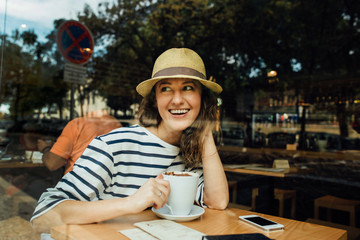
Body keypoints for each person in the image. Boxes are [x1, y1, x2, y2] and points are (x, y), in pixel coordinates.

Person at [31, 48, 229, 233]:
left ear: (202, 99)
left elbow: (217, 202)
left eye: (188, 88)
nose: (177, 100)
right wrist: (131, 203)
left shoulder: (191, 152)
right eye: (166, 89)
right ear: (155, 99)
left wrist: (205, 128)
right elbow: (43, 216)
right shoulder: (114, 145)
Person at [37, 111, 122, 175]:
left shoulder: (77, 125)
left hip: (78, 189)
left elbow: (53, 163)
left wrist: (45, 148)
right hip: (111, 188)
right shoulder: (117, 126)